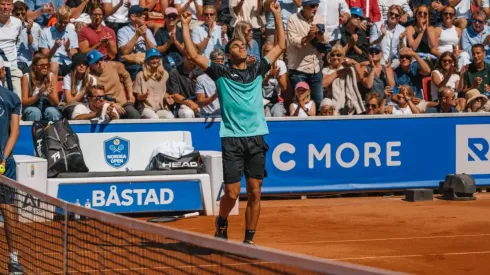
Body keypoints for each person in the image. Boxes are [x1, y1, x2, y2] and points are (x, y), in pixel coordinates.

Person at [182, 0, 285, 244]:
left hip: (256, 136)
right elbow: (194, 54)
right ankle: (222, 220)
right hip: (231, 138)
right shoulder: (220, 72)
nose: (242, 47)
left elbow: (281, 45)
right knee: (231, 192)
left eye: (243, 45)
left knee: (255, 192)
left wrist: (277, 15)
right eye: (237, 45)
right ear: (229, 54)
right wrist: (186, 26)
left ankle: (249, 240)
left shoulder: (257, 68)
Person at [0, 69, 23, 275]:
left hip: (4, 166)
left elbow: (15, 130)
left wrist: (3, 158)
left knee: (7, 211)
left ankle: (13, 258)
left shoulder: (12, 98)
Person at [133, 48, 174, 119]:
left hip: (161, 107)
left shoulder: (165, 74)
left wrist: (167, 97)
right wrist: (144, 96)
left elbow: (166, 92)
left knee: (170, 117)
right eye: (152, 58)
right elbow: (138, 96)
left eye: (157, 58)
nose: (155, 61)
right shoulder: (140, 75)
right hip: (146, 107)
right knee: (154, 118)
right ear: (147, 61)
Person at [39, 5, 79, 77]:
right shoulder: (45, 32)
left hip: (67, 63)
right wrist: (55, 47)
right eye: (61, 22)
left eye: (66, 22)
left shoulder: (72, 33)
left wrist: (67, 49)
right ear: (56, 18)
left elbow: (75, 57)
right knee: (54, 66)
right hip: (53, 62)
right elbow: (45, 57)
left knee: (79, 67)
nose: (63, 25)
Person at [21, 53, 62, 121]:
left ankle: (55, 130)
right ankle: (34, 131)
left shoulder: (51, 77)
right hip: (31, 106)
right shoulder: (26, 77)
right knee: (35, 112)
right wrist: (38, 95)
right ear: (34, 67)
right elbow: (24, 101)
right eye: (42, 65)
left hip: (47, 105)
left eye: (47, 65)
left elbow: (56, 103)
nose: (45, 67)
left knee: (52, 112)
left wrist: (49, 95)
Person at [0, 0, 23, 97]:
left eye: (8, 4)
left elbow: (17, 41)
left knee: (17, 102)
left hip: (12, 67)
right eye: (2, 4)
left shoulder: (17, 23)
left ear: (12, 7)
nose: (5, 7)